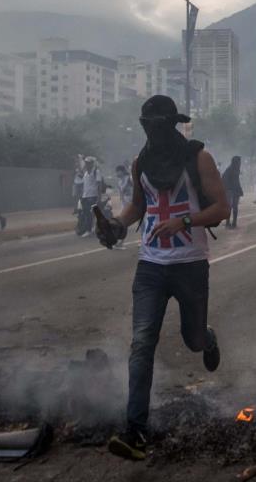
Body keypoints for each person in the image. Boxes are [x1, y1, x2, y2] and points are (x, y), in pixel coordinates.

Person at [100, 95, 229, 461]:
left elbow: (222, 207)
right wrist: (116, 225)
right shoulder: (141, 162)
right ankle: (136, 432)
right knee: (142, 343)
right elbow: (139, 206)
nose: (151, 130)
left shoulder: (198, 158)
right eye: (147, 124)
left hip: (190, 264)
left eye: (157, 124)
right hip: (151, 265)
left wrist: (184, 221)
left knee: (192, 339)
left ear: (171, 124)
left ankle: (207, 338)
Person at [75, 156, 103, 237]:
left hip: (93, 195)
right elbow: (84, 184)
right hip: (85, 195)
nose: (87, 165)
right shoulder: (86, 173)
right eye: (86, 163)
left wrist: (99, 196)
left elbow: (99, 184)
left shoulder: (96, 172)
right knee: (87, 212)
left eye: (89, 163)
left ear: (92, 164)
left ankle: (89, 230)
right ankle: (92, 227)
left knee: (89, 213)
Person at [223, 156, 243, 229]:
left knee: (235, 207)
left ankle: (234, 223)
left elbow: (237, 181)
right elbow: (224, 179)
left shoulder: (236, 169)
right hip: (230, 191)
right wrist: (228, 189)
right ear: (235, 162)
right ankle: (228, 223)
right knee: (230, 207)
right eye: (239, 161)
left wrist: (239, 189)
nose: (240, 163)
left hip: (235, 190)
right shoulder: (229, 169)